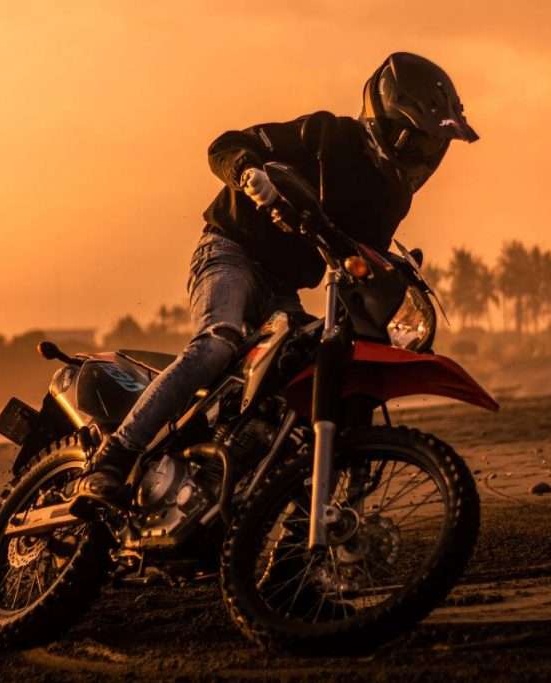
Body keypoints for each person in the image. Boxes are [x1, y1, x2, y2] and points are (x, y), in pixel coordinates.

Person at [79, 52, 478, 502]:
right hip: (231, 251)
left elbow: (356, 264)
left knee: (295, 379)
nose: (427, 157)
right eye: (420, 143)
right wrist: (248, 172)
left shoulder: (393, 198)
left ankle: (273, 511)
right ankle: (114, 457)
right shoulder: (327, 134)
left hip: (282, 288)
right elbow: (226, 144)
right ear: (390, 123)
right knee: (217, 342)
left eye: (434, 148)